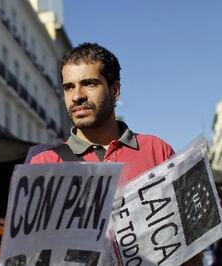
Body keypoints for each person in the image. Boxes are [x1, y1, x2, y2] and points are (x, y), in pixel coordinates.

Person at [29, 43, 201, 265]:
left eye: (89, 84)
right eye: (69, 87)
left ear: (115, 90)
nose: (76, 96)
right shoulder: (44, 164)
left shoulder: (157, 150)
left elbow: (191, 244)